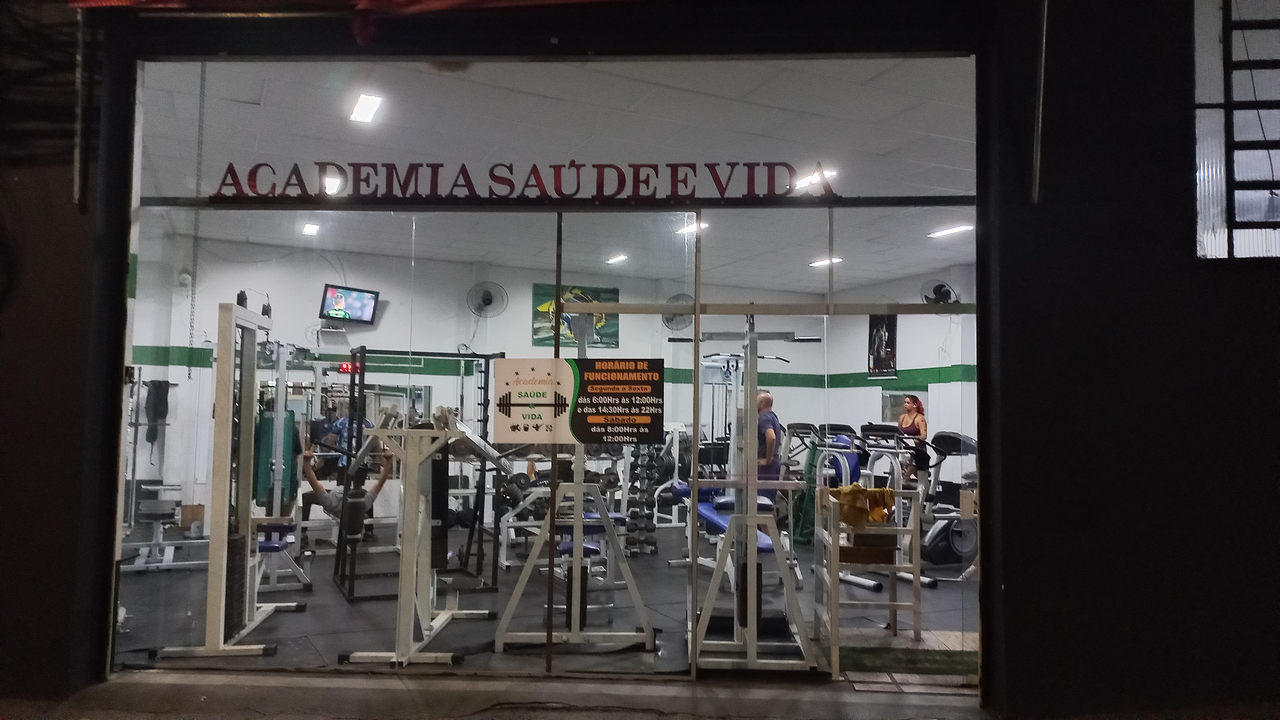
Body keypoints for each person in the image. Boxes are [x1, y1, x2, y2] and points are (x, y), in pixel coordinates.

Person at [299, 445, 395, 547]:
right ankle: (369, 533)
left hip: (340, 488)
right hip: (350, 488)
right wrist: (388, 460)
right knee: (365, 494)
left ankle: (302, 534)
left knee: (305, 497)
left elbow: (312, 480)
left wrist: (306, 462)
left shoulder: (332, 504)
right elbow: (381, 482)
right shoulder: (363, 503)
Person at [756, 391, 785, 500]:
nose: (755, 404)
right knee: (768, 501)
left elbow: (771, 437)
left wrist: (767, 460)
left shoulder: (764, 418)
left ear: (762, 403)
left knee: (762, 501)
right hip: (774, 463)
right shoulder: (773, 416)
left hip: (767, 466)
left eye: (756, 402)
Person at [897, 394, 930, 485]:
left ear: (915, 405)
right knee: (904, 473)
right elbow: (897, 432)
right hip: (905, 448)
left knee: (913, 473)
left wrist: (915, 438)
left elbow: (924, 436)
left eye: (908, 403)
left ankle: (924, 482)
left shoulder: (920, 418)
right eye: (905, 402)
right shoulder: (902, 418)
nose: (905, 404)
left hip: (917, 449)